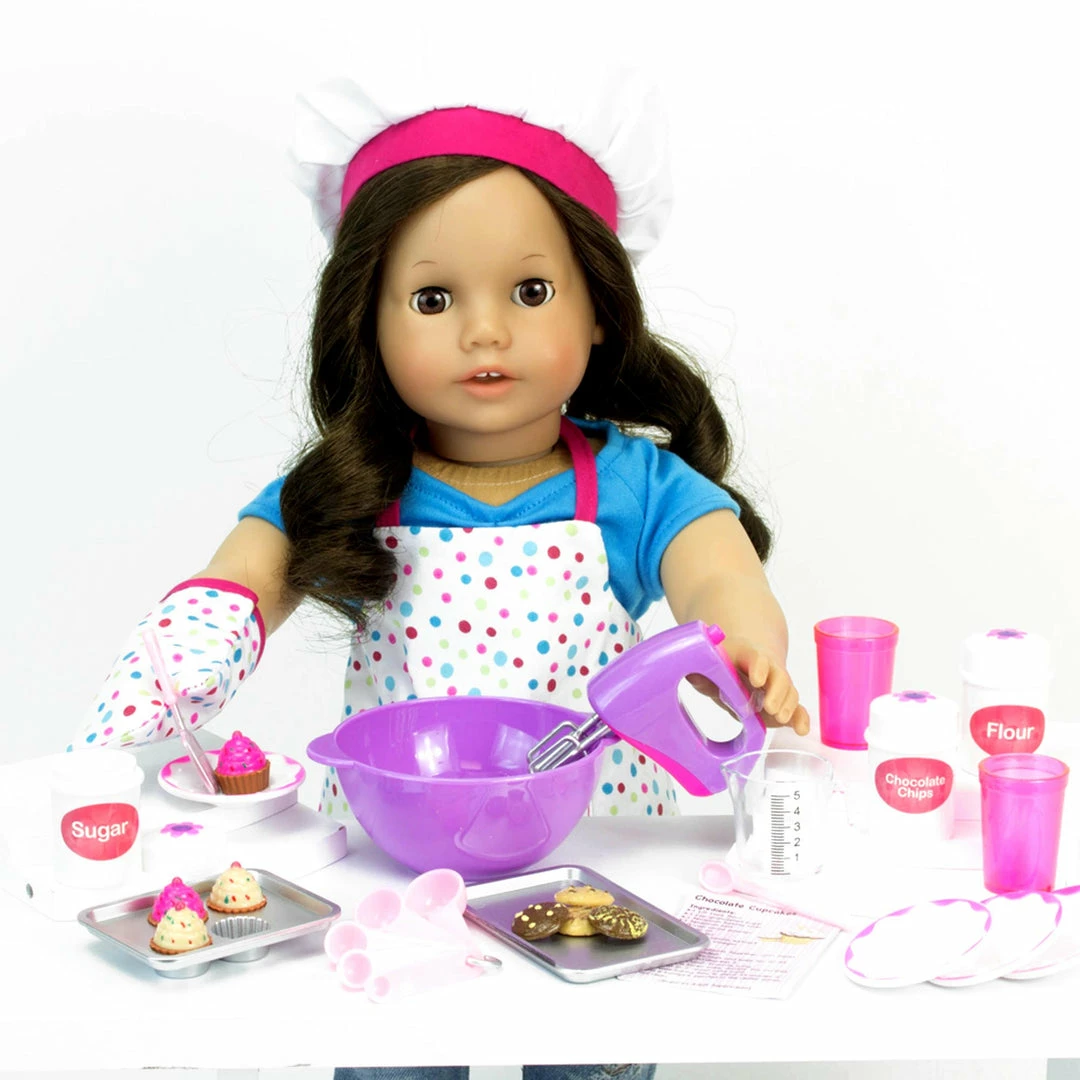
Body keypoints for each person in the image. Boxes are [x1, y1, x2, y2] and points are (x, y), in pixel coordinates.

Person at [71, 67, 809, 1079]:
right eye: (432, 298)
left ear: (600, 308)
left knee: (587, 1053)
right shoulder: (355, 486)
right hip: (392, 854)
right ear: (369, 322)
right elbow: (240, 577)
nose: (484, 330)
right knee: (395, 1047)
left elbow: (719, 577)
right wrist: (190, 649)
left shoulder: (635, 484)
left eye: (531, 291)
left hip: (593, 848)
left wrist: (741, 651)